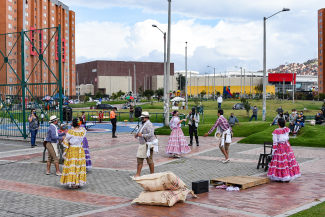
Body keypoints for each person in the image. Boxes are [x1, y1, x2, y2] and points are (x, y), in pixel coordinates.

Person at [60, 118, 87, 189]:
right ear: (79, 123)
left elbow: (66, 140)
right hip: (80, 150)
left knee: (72, 165)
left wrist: (68, 144)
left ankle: (72, 182)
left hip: (72, 150)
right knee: (79, 165)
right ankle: (78, 183)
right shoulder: (83, 131)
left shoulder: (71, 132)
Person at [133, 111, 155, 178]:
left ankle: (152, 174)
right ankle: (138, 174)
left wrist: (142, 135)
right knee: (139, 158)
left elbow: (151, 134)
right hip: (142, 143)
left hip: (148, 144)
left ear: (146, 118)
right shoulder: (143, 124)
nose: (141, 119)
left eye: (143, 117)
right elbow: (140, 132)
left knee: (149, 159)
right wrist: (137, 135)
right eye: (141, 117)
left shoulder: (149, 125)